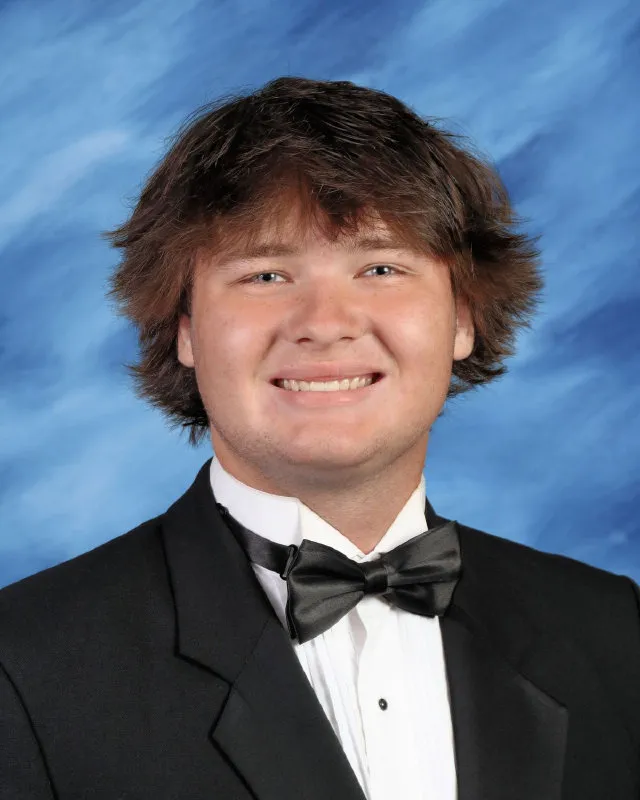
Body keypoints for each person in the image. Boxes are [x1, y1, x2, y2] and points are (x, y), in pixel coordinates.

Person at [0, 77, 638, 800]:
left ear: (463, 320)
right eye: (266, 273)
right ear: (184, 329)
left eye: (380, 268)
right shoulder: (23, 664)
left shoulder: (612, 631)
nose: (325, 322)